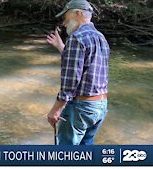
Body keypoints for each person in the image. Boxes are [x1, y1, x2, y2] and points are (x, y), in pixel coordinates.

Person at [46, 0, 110, 145]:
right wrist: (61, 46)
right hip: (100, 106)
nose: (63, 23)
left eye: (65, 17)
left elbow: (71, 81)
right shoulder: (101, 37)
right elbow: (85, 67)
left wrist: (56, 110)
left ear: (77, 13)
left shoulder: (77, 38)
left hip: (82, 107)